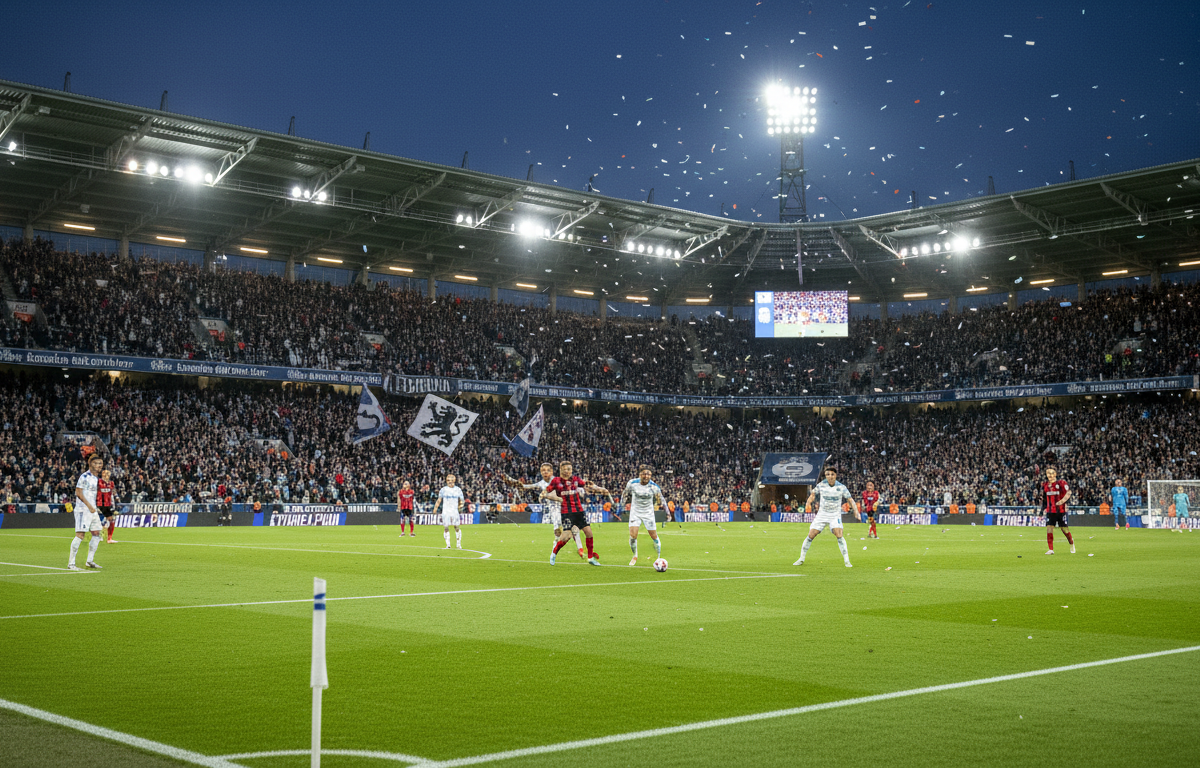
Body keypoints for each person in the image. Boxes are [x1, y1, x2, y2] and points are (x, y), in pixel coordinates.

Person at [505, 463, 582, 555]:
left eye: (548, 470)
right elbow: (527, 486)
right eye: (543, 470)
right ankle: (555, 548)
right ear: (541, 472)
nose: (545, 472)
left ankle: (580, 550)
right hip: (554, 510)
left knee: (574, 528)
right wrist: (517, 484)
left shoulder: (558, 480)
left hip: (565, 507)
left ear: (552, 471)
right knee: (558, 531)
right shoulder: (541, 483)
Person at [545, 461, 610, 566]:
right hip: (567, 513)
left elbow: (588, 486)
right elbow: (546, 492)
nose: (567, 471)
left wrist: (600, 489)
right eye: (565, 469)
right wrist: (555, 497)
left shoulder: (575, 480)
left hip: (579, 511)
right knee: (566, 536)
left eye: (569, 469)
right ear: (560, 470)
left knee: (589, 533)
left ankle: (590, 558)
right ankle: (554, 553)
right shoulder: (556, 481)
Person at [794, 467, 859, 568]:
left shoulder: (841, 487)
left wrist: (856, 512)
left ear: (835, 475)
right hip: (822, 514)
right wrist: (808, 503)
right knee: (811, 534)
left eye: (832, 474)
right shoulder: (821, 485)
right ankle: (801, 558)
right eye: (828, 474)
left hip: (835, 515)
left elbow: (850, 499)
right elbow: (813, 494)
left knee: (839, 534)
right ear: (826, 475)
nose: (830, 476)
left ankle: (847, 560)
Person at [622, 465, 666, 566]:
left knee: (653, 536)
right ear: (640, 474)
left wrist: (658, 503)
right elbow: (625, 494)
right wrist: (622, 506)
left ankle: (658, 557)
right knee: (633, 536)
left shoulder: (654, 487)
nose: (646, 476)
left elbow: (659, 500)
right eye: (644, 474)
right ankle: (635, 555)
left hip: (648, 513)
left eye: (648, 474)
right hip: (635, 512)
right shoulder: (632, 483)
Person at [69, 454, 105, 570]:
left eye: (100, 463)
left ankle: (89, 560)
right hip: (83, 510)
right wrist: (89, 506)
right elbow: (78, 492)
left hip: (93, 510)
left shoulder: (96, 479)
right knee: (80, 535)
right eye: (96, 463)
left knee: (97, 534)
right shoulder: (84, 477)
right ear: (90, 464)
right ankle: (71, 564)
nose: (98, 465)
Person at [1043, 467, 1075, 554]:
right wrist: (1044, 508)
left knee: (1064, 529)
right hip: (1050, 511)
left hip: (1060, 511)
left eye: (1052, 473)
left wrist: (1061, 501)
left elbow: (1069, 492)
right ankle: (1051, 549)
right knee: (1049, 529)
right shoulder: (1045, 485)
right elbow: (1044, 498)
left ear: (1055, 474)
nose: (1050, 475)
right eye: (1048, 473)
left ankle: (1071, 543)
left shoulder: (1061, 483)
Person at [432, 473, 467, 549]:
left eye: (451, 480)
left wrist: (460, 507)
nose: (449, 482)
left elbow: (462, 501)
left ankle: (458, 544)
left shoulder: (458, 490)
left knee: (456, 527)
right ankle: (448, 545)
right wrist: (435, 508)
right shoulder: (443, 490)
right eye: (448, 480)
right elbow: (439, 500)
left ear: (454, 480)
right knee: (446, 527)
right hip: (446, 511)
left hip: (454, 511)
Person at [98, 468, 118, 543]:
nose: (107, 476)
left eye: (108, 475)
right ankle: (99, 536)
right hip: (100, 504)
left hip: (108, 504)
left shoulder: (111, 483)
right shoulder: (99, 482)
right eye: (106, 474)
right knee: (101, 521)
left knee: (111, 520)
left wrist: (116, 497)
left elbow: (113, 492)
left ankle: (109, 538)